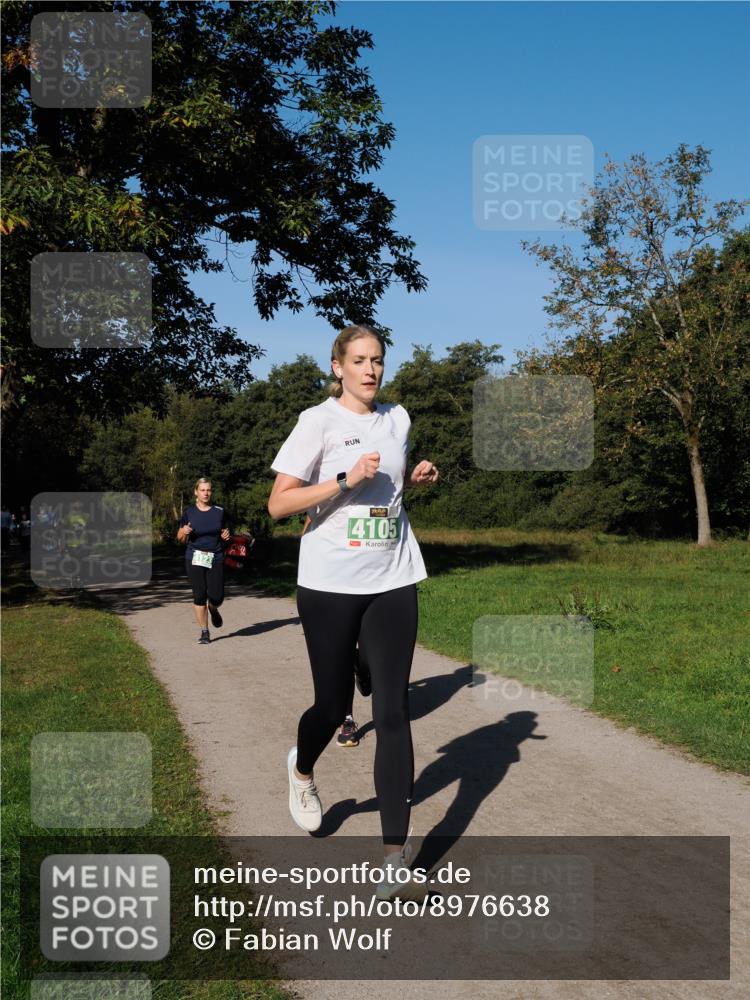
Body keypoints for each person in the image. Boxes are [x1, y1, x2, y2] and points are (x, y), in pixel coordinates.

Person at [268, 324, 438, 899]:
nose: (371, 370)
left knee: (393, 710)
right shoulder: (318, 421)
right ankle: (302, 770)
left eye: (379, 361)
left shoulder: (399, 419)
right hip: (328, 582)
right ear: (337, 366)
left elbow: (387, 500)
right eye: (360, 360)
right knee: (332, 704)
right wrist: (343, 479)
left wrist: (410, 480)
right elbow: (279, 504)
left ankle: (395, 856)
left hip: (393, 577)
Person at [176, 478, 231, 644]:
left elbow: (227, 532)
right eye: (202, 490)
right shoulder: (189, 513)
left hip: (216, 556)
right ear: (196, 492)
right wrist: (184, 532)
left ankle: (213, 608)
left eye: (208, 490)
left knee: (217, 596)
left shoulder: (220, 511)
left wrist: (226, 535)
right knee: (199, 596)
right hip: (194, 557)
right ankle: (205, 632)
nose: (206, 493)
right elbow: (179, 539)